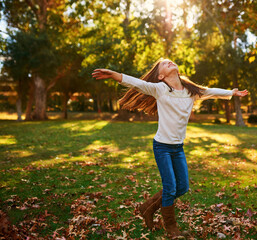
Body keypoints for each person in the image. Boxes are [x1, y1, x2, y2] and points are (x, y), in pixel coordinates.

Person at [92, 58, 248, 238]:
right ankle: (171, 227)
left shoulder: (191, 91)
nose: (170, 62)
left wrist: (232, 92)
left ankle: (147, 208)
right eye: (165, 64)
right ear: (161, 76)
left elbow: (210, 91)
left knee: (182, 187)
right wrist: (115, 75)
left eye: (170, 61)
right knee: (170, 187)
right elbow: (137, 83)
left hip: (178, 148)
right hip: (162, 148)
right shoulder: (160, 89)